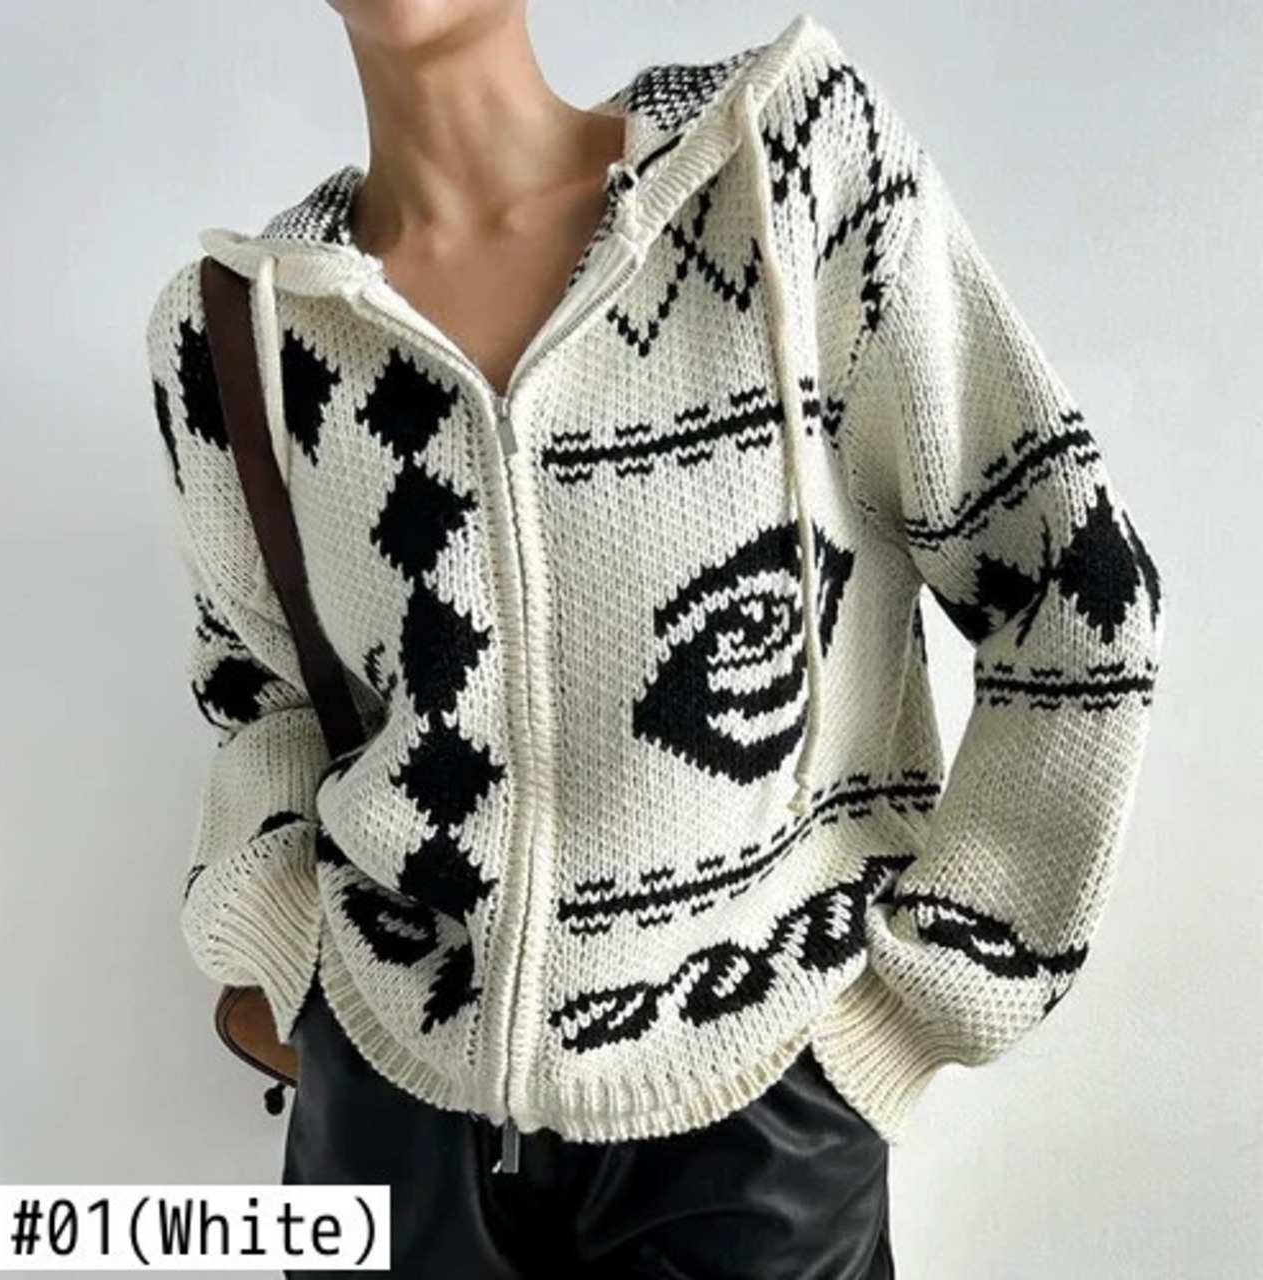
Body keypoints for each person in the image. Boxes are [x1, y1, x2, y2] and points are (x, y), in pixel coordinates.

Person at [145, 3, 1165, 1277]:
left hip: (752, 1122)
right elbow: (259, 696)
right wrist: (289, 956)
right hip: (384, 1106)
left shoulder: (782, 170)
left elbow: (1073, 590)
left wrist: (902, 1016)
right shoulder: (232, 331)